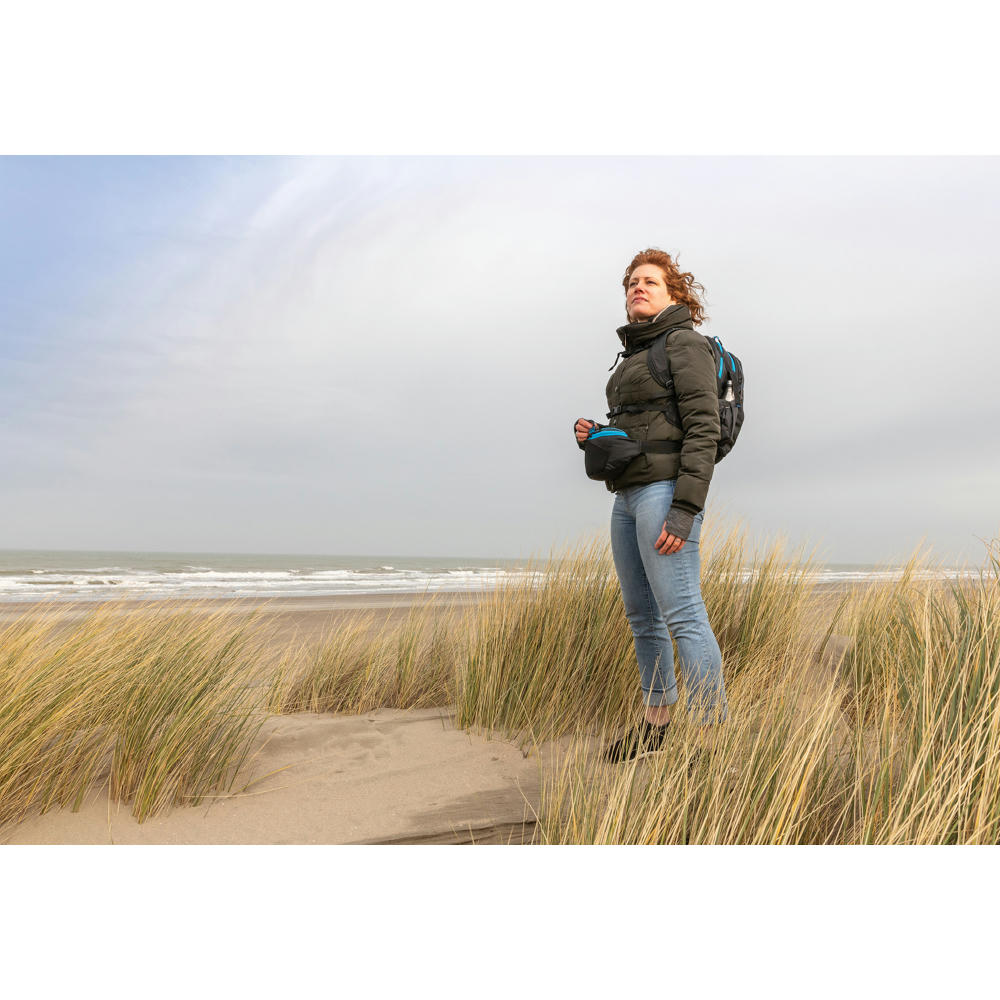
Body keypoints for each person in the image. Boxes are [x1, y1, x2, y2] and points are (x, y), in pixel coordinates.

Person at [574, 248, 728, 762]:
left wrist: (684, 510)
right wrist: (597, 434)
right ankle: (656, 727)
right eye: (631, 283)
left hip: (665, 494)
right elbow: (647, 427)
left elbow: (703, 430)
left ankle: (708, 742)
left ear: (674, 294)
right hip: (627, 496)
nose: (637, 288)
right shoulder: (635, 354)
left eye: (649, 282)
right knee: (643, 617)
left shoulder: (684, 343)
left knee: (684, 615)